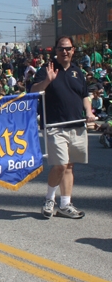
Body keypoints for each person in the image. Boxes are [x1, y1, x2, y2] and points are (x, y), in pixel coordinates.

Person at [31, 36, 95, 219]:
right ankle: (49, 199)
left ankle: (65, 205)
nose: (64, 52)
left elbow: (84, 95)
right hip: (54, 125)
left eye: (68, 48)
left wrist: (89, 112)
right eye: (61, 49)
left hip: (76, 124)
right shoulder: (47, 69)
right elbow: (33, 91)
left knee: (69, 166)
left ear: (73, 50)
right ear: (55, 51)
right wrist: (47, 81)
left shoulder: (78, 71)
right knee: (59, 165)